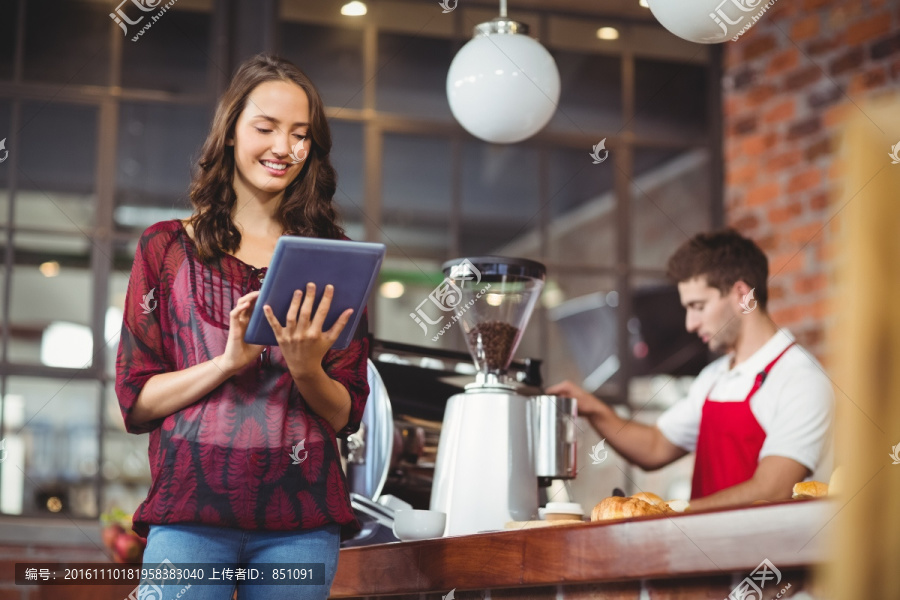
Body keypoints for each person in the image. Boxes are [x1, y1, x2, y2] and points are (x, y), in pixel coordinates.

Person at [115, 53, 370, 600]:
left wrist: (306, 369)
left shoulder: (338, 260)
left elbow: (347, 411)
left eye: (301, 135)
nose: (284, 148)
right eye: (266, 127)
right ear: (230, 132)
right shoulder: (165, 248)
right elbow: (136, 400)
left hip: (302, 522)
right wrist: (228, 362)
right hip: (188, 516)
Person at [548, 230, 834, 511]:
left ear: (741, 295)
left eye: (698, 306)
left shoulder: (801, 379)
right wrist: (594, 408)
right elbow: (655, 446)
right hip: (705, 554)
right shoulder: (714, 376)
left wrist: (673, 515)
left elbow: (771, 490)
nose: (690, 324)